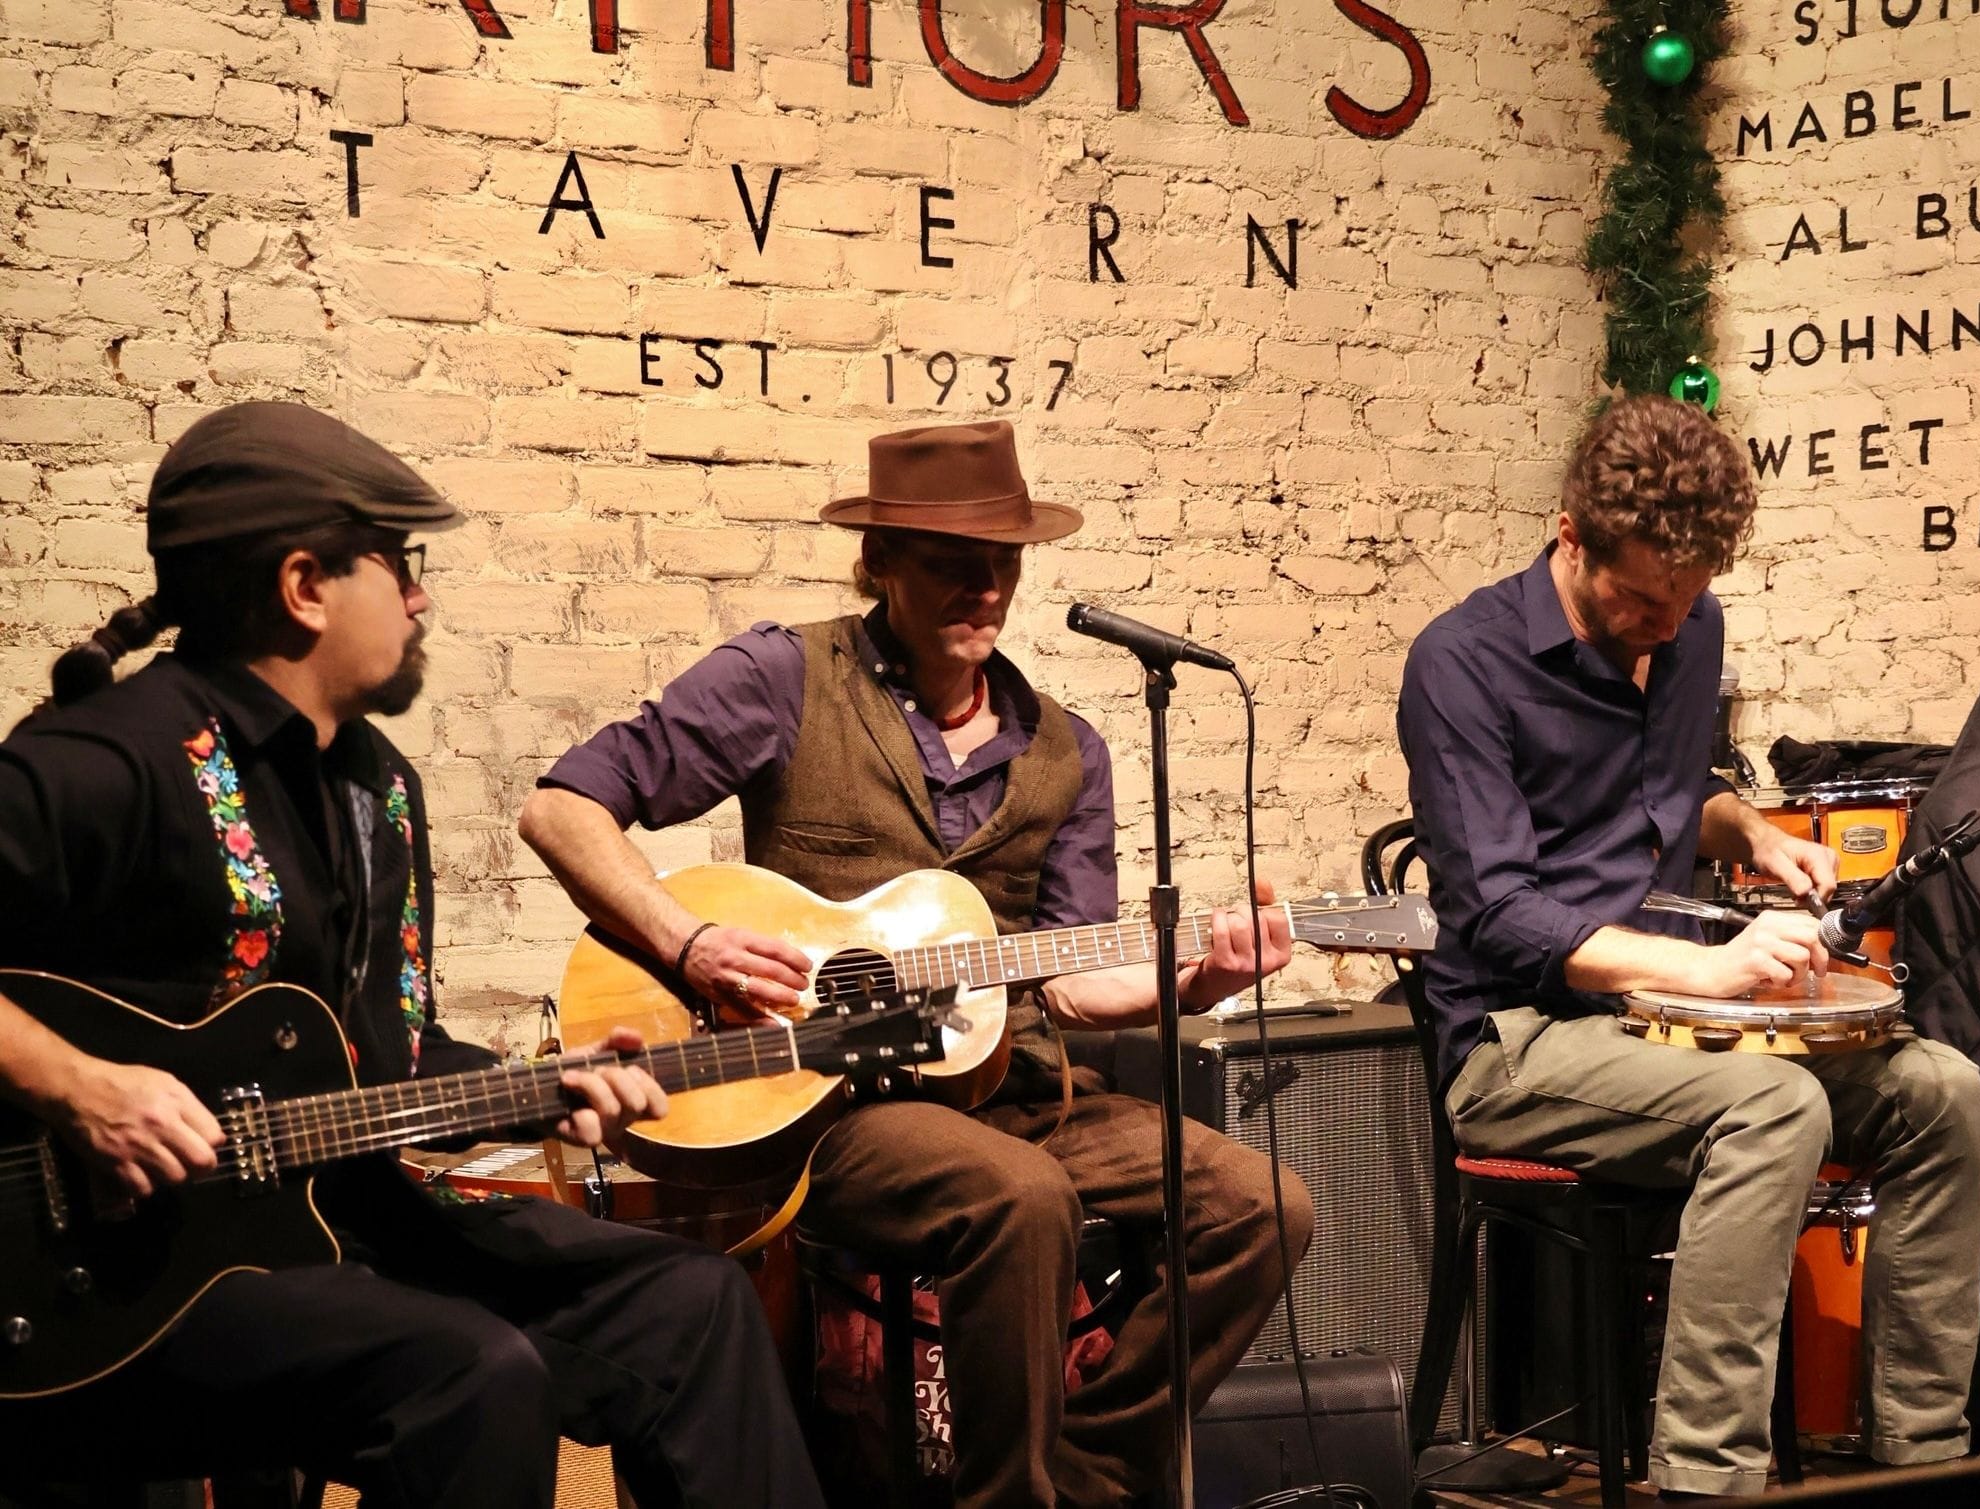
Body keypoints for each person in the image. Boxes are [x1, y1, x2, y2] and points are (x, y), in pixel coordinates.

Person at [0, 402, 824, 1509]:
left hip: (339, 1216)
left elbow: (384, 1057)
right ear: (304, 588)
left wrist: (537, 1092)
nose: (422, 594)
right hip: (113, 1284)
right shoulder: (109, 758)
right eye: (399, 563)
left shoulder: (377, 791)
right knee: (466, 1377)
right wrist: (78, 1087)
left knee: (692, 1306)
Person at [520, 418, 1314, 1508]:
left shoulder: (1061, 746)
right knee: (1020, 1200)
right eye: (952, 563)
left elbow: (1072, 983)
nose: (984, 590)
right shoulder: (782, 677)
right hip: (830, 1103)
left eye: (1004, 565)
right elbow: (562, 809)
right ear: (880, 562)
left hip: (1019, 1091)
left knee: (1261, 1200)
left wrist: (1203, 981)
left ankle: (1083, 1478)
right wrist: (689, 941)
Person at [1396, 393, 1980, 1499]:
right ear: (1569, 534)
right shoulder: (1461, 665)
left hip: (1667, 1025)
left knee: (1941, 1090)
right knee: (1775, 1108)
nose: (1665, 626)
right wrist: (1706, 968)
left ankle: (1919, 1457)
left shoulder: (1684, 628)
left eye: (1688, 599)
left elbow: (1666, 798)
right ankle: (1703, 1481)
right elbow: (1499, 915)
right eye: (1639, 598)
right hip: (1519, 1038)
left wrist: (1757, 835)